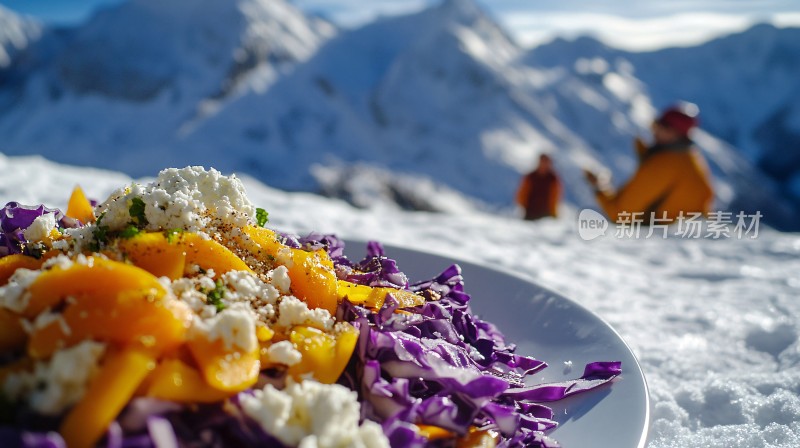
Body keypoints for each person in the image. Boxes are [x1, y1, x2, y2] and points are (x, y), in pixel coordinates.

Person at [584, 102, 714, 223]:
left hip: (666, 235)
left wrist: (600, 188)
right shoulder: (689, 157)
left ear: (674, 133)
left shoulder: (663, 164)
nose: (655, 129)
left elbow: (620, 214)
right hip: (691, 229)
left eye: (661, 125)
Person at [516, 153, 562, 220]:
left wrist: (554, 213)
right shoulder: (530, 177)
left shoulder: (553, 179)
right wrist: (524, 206)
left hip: (546, 214)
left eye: (546, 162)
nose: (544, 164)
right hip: (530, 213)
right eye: (543, 161)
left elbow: (555, 197)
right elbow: (522, 194)